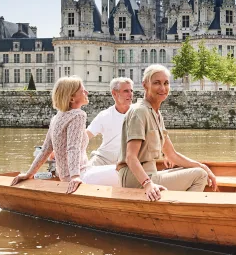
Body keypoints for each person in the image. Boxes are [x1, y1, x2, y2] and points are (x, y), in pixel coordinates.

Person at [117, 64, 217, 200]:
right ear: (145, 85)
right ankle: (182, 215)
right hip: (136, 178)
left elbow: (172, 154)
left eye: (166, 83)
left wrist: (203, 166)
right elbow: (130, 157)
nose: (163, 88)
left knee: (199, 170)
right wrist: (148, 184)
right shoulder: (139, 111)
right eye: (157, 83)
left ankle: (175, 212)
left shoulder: (156, 114)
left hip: (150, 174)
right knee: (200, 175)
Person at [12, 76, 89, 194]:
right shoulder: (78, 115)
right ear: (72, 98)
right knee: (119, 172)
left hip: (64, 175)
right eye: (82, 91)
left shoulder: (57, 117)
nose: (86, 92)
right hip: (80, 175)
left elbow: (45, 150)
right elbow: (73, 148)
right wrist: (75, 176)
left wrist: (30, 173)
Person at [86, 77, 134, 166]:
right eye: (126, 91)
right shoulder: (104, 115)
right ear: (114, 93)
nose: (130, 94)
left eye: (131, 91)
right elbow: (86, 135)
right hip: (103, 159)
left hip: (129, 162)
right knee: (84, 173)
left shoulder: (139, 113)